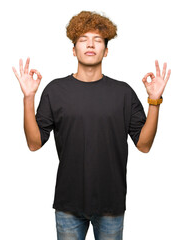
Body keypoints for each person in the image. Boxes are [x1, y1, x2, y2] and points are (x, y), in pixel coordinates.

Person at [12, 10, 171, 240]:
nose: (90, 44)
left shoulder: (123, 92)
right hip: (68, 203)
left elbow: (144, 145)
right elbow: (34, 143)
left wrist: (154, 102)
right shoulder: (55, 90)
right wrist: (28, 98)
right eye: (83, 39)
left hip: (111, 204)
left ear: (106, 51)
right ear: (73, 49)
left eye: (97, 40)